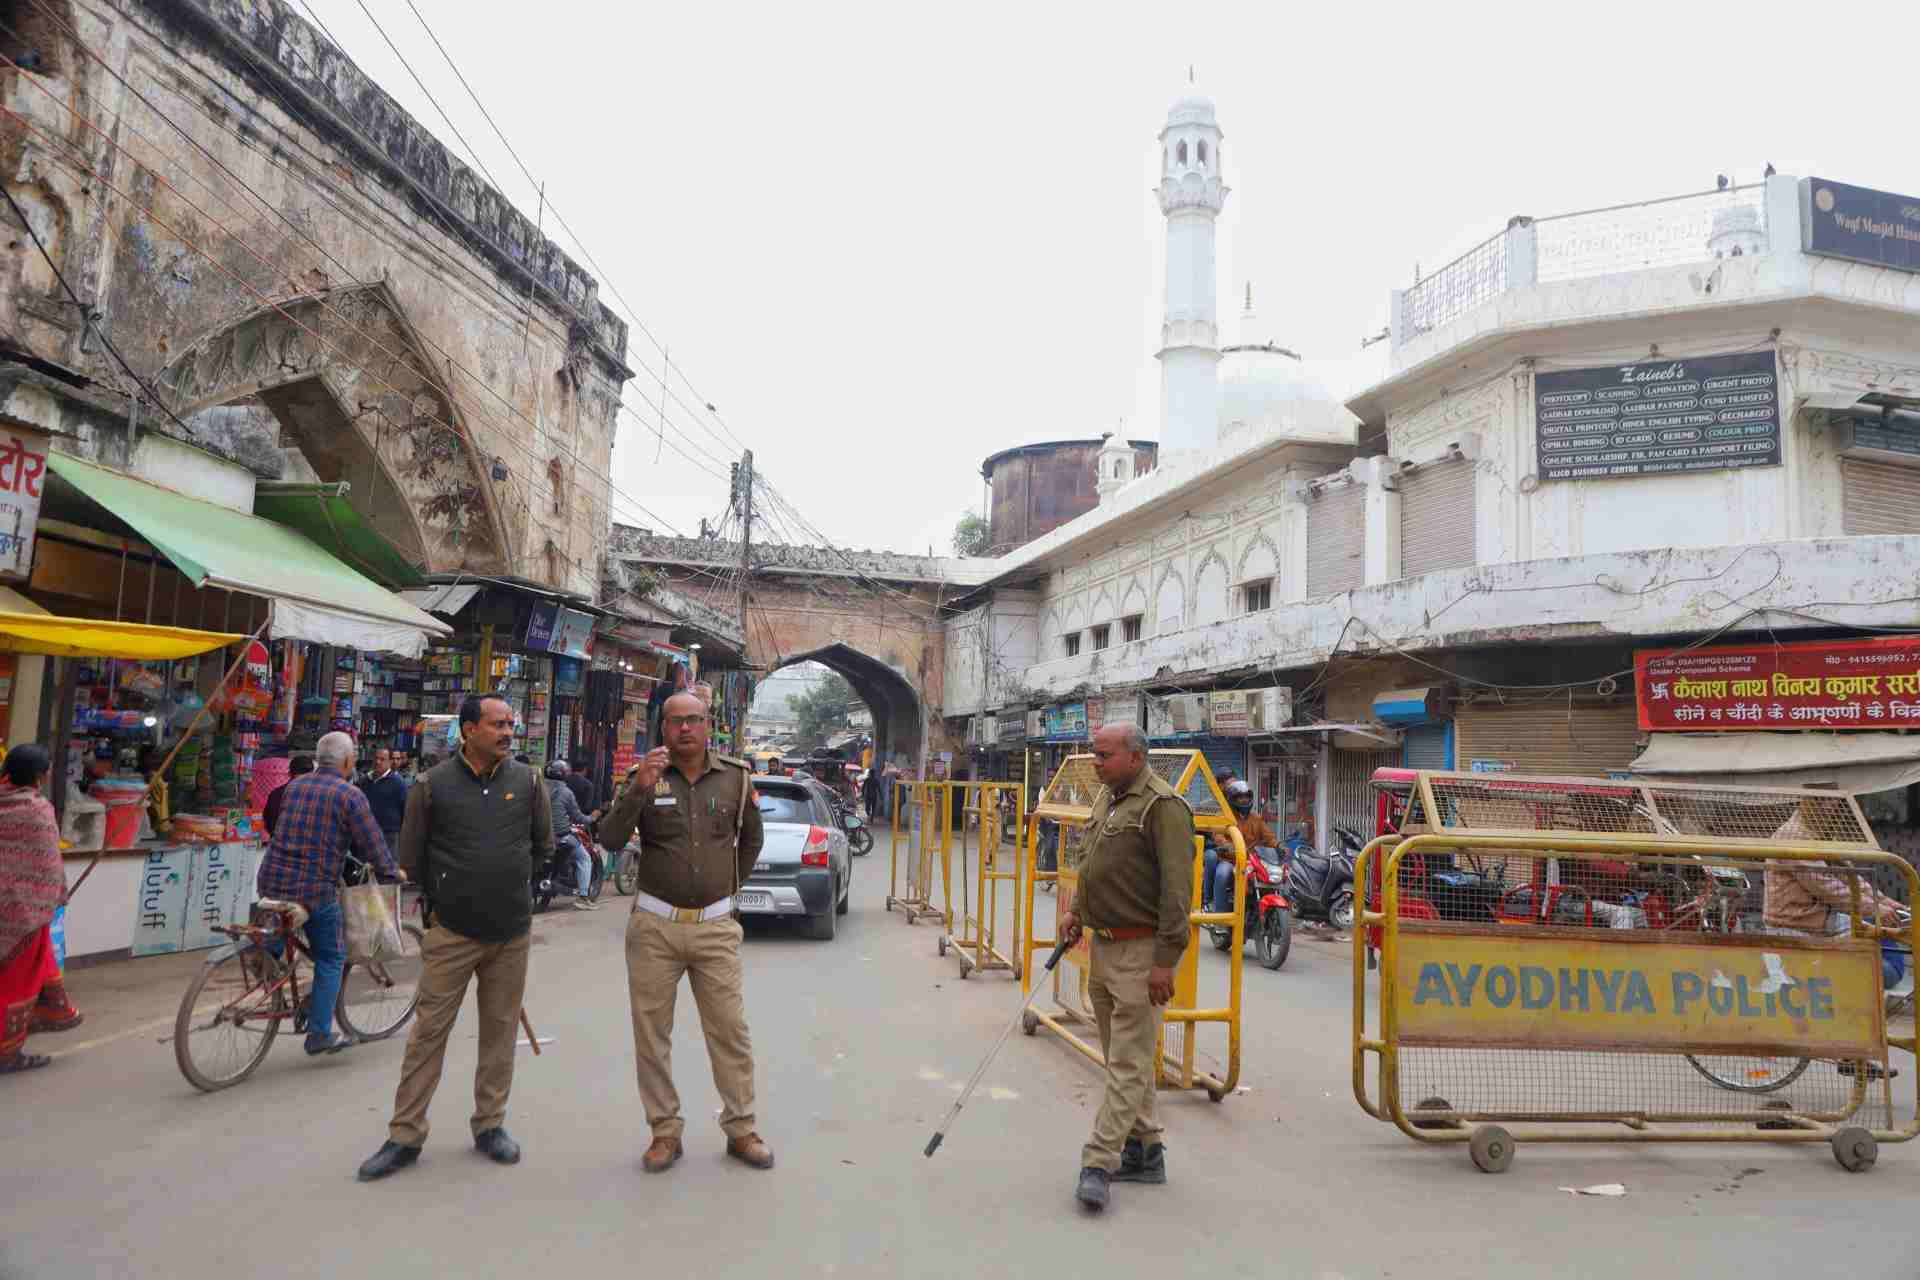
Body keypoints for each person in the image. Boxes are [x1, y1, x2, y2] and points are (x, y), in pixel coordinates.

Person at [358, 695, 552, 1182]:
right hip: (451, 933)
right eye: (497, 724)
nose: (507, 732)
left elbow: (542, 846)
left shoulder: (528, 781)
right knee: (428, 1035)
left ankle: (490, 1125)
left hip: (510, 933)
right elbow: (412, 857)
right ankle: (405, 1135)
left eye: (510, 724)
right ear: (468, 730)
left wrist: (507, 885)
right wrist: (448, 899)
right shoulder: (431, 785)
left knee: (499, 1033)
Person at [598, 690, 771, 1175]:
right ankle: (664, 1132)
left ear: (708, 724)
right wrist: (638, 789)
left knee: (730, 1031)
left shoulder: (735, 778)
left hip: (715, 928)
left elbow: (751, 839)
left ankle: (741, 1129)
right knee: (652, 1035)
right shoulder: (643, 777)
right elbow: (610, 839)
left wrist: (725, 888)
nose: (686, 729)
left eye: (694, 719)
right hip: (654, 927)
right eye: (676, 721)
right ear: (663, 729)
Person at [1057, 723, 1194, 1211]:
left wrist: (1164, 962)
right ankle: (1147, 1150)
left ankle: (1099, 1161)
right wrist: (1077, 912)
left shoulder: (1163, 807)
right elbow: (1092, 861)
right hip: (1104, 947)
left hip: (1142, 953)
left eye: (1104, 755)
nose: (1095, 763)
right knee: (1123, 1061)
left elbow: (1178, 892)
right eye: (1094, 754)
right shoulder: (1108, 799)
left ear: (1135, 757)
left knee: (1128, 1064)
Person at [255, 732, 402, 1056]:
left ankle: (265, 960)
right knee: (332, 956)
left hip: (270, 879)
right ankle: (319, 1033)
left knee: (282, 930)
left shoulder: (295, 786)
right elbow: (373, 842)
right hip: (312, 889)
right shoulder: (350, 795)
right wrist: (392, 871)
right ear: (348, 761)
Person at [0, 745, 82, 1075]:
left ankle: (44, 1018)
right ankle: (6, 1053)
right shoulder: (36, 810)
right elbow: (46, 866)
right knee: (15, 984)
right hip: (22, 916)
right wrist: (55, 894)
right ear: (39, 776)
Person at [1203, 780, 1277, 915]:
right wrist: (1227, 845)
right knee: (1222, 875)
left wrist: (1278, 845)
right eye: (1240, 797)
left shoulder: (1256, 818)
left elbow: (1269, 836)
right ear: (1232, 799)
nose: (1244, 800)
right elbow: (1218, 835)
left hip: (1252, 861)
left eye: (1246, 797)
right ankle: (1219, 915)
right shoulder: (1225, 817)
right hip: (1230, 860)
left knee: (1271, 877)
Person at [544, 759, 596, 910]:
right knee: (584, 858)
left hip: (537, 835)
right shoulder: (566, 793)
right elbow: (577, 816)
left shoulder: (537, 788)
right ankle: (583, 897)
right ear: (564, 775)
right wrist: (591, 819)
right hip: (560, 836)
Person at [357, 746, 408, 859]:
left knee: (386, 866)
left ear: (390, 762)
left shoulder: (398, 784)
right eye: (376, 758)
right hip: (366, 834)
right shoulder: (364, 781)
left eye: (382, 759)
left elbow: (405, 811)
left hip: (388, 836)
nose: (378, 762)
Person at [262, 755, 314, 838]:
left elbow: (268, 822)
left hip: (279, 841)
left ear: (289, 773)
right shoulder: (316, 795)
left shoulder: (277, 793)